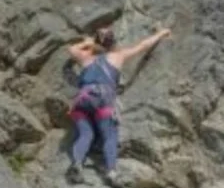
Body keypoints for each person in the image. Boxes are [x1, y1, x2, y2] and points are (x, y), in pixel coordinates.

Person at [64, 25, 171, 179]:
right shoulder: (118, 56)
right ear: (113, 42)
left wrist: (87, 43)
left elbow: (72, 49)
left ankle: (77, 163)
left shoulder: (85, 57)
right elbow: (142, 46)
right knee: (109, 136)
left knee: (86, 134)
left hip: (83, 99)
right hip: (103, 99)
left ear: (96, 42)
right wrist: (161, 33)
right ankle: (111, 172)